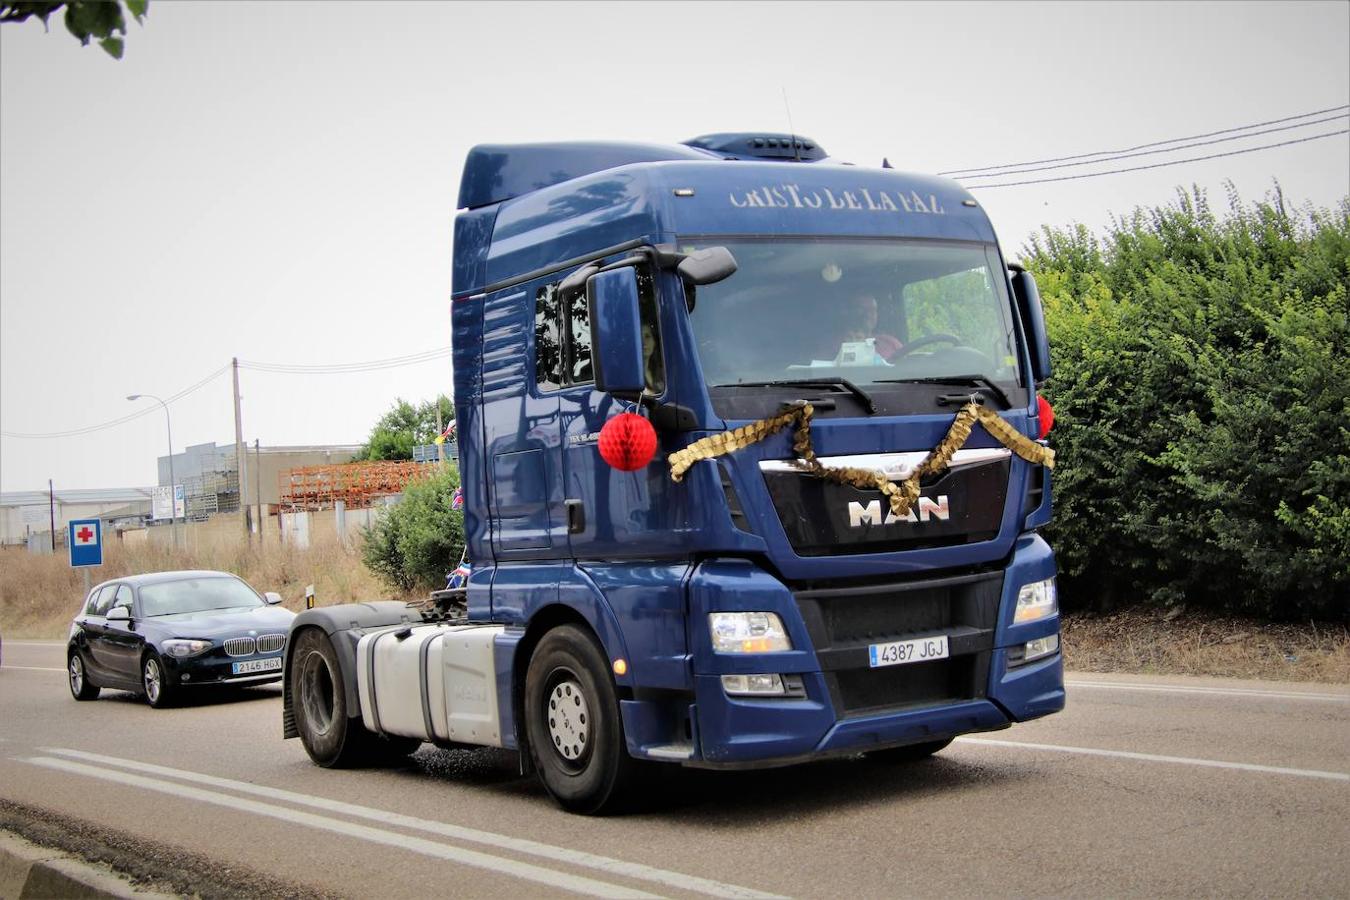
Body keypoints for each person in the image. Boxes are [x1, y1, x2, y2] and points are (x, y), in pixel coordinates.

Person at [839, 294, 903, 361]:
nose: (868, 314)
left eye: (872, 310)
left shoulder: (890, 343)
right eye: (861, 309)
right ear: (850, 312)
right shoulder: (836, 344)